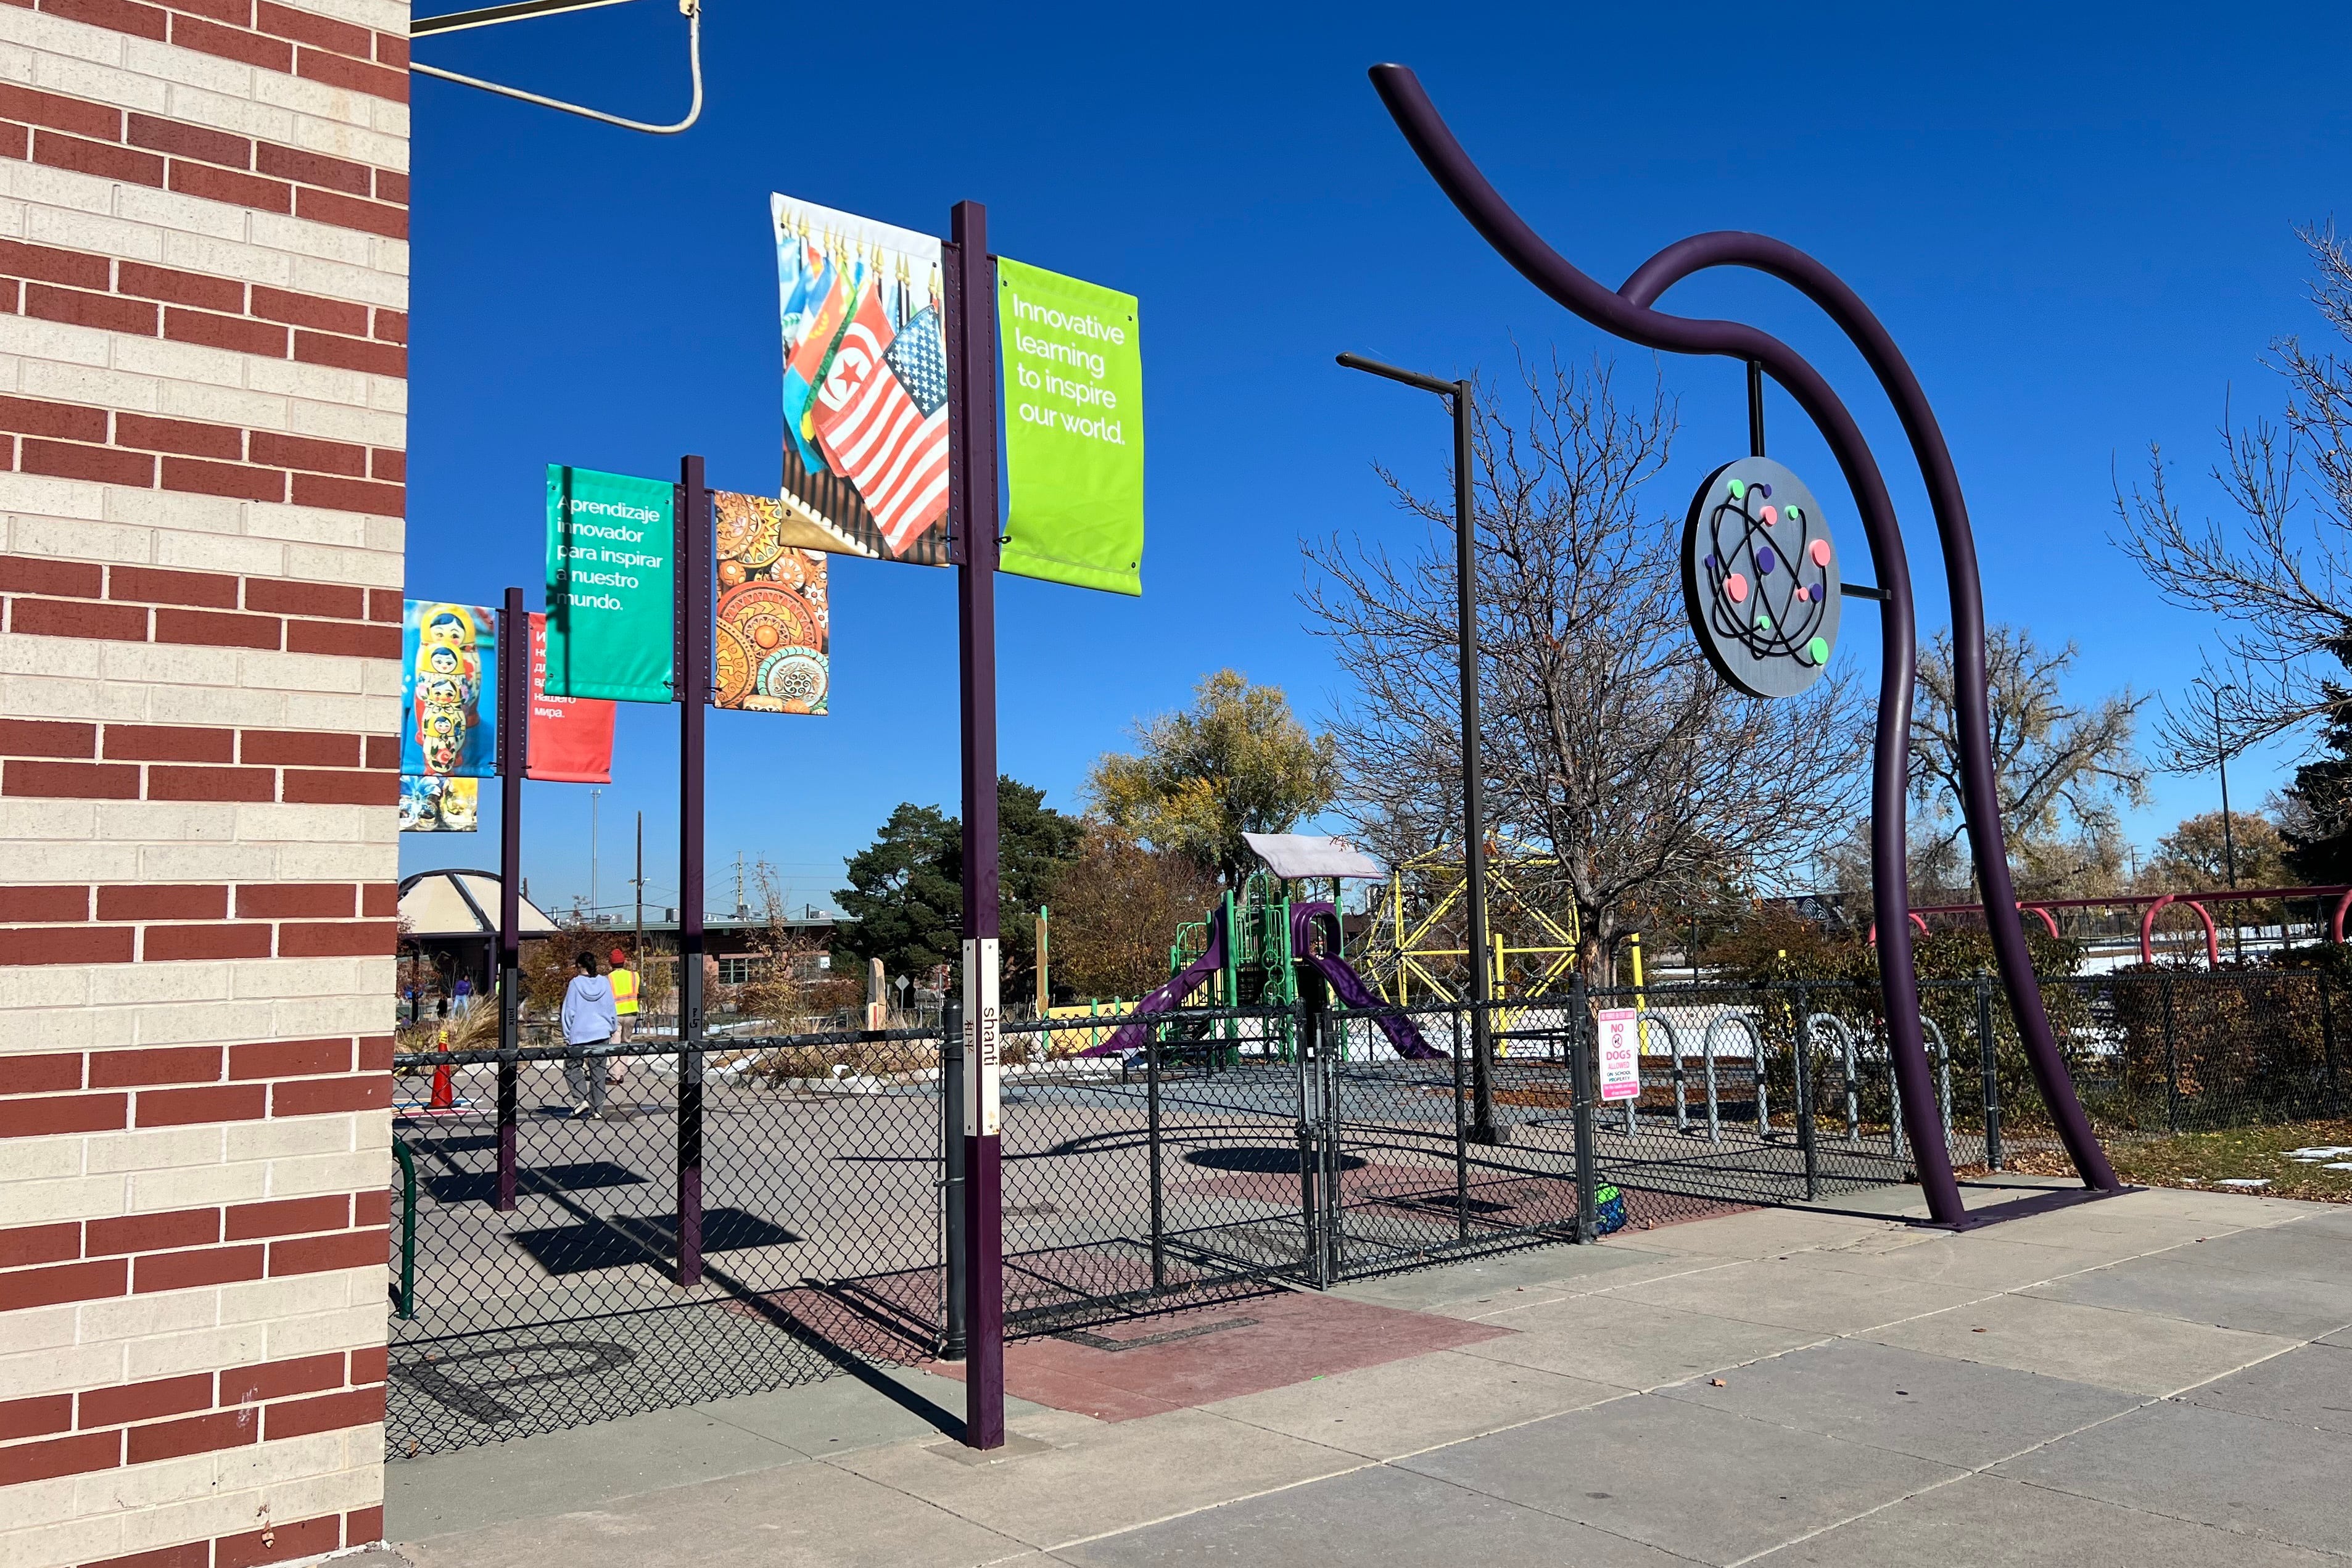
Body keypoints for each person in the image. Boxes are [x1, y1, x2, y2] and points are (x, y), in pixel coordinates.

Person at [560, 951, 617, 1118]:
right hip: (601, 1031)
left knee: (571, 1067)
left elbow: (569, 1011)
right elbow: (610, 1007)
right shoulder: (605, 982)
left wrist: (567, 1034)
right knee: (598, 1071)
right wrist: (612, 1027)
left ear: (580, 966)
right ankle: (597, 1109)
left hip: (580, 1033)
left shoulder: (575, 984)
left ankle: (581, 1100)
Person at [605, 947, 638, 1091]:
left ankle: (615, 1075)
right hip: (631, 1013)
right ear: (624, 962)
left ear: (611, 964)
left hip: (615, 1015)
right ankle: (623, 1072)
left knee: (614, 1044)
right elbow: (642, 992)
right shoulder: (634, 976)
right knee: (626, 1044)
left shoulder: (609, 978)